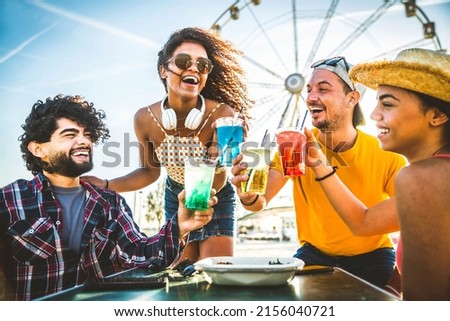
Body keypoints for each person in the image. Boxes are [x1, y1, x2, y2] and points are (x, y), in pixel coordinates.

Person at [0, 94, 217, 301]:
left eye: (87, 134)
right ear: (38, 148)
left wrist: (180, 227)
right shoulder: (9, 201)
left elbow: (143, 255)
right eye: (70, 135)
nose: (83, 141)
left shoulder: (109, 203)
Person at [231, 56, 407, 288]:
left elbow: (410, 216)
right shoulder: (294, 146)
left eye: (323, 89)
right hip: (314, 255)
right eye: (310, 90)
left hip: (373, 256)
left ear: (352, 98)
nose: (311, 97)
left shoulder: (385, 152)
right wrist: (248, 195)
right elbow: (259, 201)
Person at [82, 27, 253, 264]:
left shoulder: (222, 114)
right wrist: (108, 185)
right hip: (175, 194)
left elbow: (216, 181)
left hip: (216, 195)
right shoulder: (144, 118)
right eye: (183, 61)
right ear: (164, 70)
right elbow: (149, 172)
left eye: (202, 65)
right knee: (181, 270)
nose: (193, 68)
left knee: (217, 271)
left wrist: (220, 152)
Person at [303, 48, 449, 300]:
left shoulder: (421, 178)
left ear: (437, 115)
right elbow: (366, 223)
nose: (373, 115)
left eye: (388, 104)